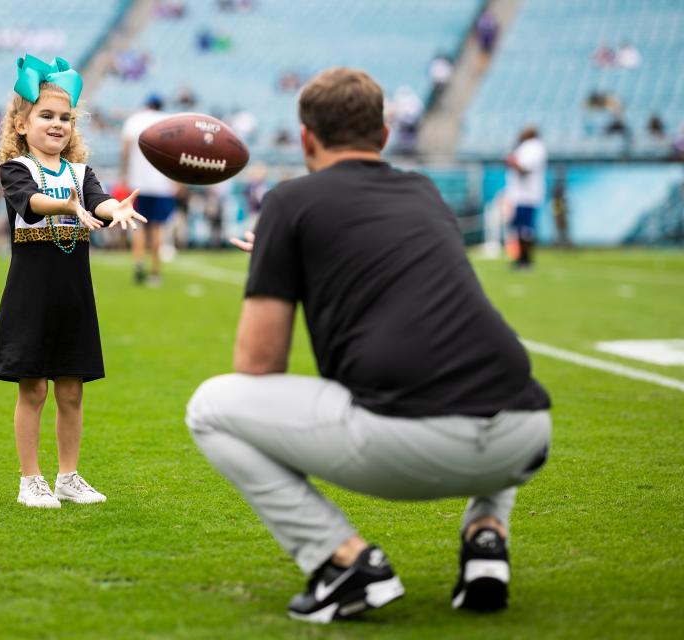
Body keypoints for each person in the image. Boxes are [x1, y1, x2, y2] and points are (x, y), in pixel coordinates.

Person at [185, 67, 551, 624]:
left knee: (210, 407)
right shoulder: (424, 191)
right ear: (382, 137)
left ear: (306, 138)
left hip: (408, 442)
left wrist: (278, 257)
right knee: (477, 349)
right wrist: (292, 249)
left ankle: (342, 560)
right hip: (524, 437)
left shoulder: (290, 201)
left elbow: (258, 365)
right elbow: (376, 250)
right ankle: (486, 538)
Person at [0, 54, 147, 509]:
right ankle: (30, 479)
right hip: (30, 294)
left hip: (74, 295)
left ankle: (68, 476)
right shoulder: (16, 169)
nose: (57, 124)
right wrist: (67, 206)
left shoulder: (81, 174)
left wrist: (112, 209)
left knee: (72, 390)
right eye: (46, 116)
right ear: (21, 123)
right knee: (33, 388)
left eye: (65, 117)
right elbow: (31, 203)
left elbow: (97, 201)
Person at [120, 93, 178, 286]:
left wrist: (125, 176)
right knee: (158, 227)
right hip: (162, 184)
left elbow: (126, 151)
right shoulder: (169, 122)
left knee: (139, 227)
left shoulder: (135, 120)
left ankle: (138, 264)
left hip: (139, 183)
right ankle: (155, 271)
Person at [506, 126, 547, 269]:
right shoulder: (525, 147)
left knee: (525, 228)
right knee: (519, 228)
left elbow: (526, 168)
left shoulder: (535, 147)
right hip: (520, 195)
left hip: (527, 195)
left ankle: (526, 259)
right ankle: (521, 258)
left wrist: (513, 163)